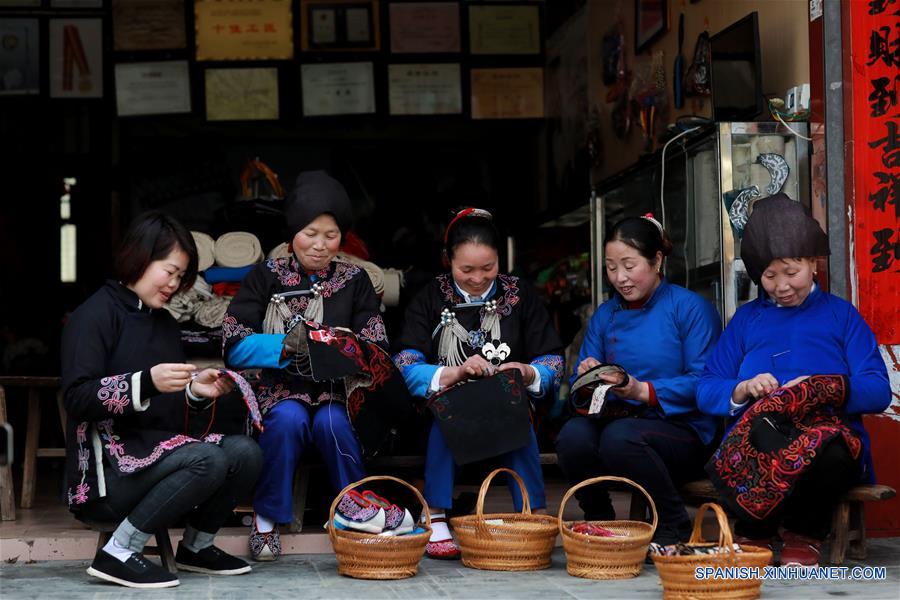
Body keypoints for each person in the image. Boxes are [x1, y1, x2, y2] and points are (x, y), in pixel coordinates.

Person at [62, 211, 262, 589]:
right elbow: (76, 397)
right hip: (110, 475)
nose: (174, 284)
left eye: (180, 277)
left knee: (245, 453)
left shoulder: (164, 323)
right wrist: (145, 382)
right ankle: (118, 552)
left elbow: (169, 420)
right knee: (207, 459)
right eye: (169, 271)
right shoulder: (92, 317)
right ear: (139, 256)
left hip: (155, 460)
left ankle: (196, 546)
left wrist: (194, 393)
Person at [224, 171, 409, 561]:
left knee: (333, 423)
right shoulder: (264, 277)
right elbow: (234, 344)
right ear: (292, 231)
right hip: (279, 391)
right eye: (311, 233)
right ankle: (267, 520)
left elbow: (377, 347)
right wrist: (286, 345)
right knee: (288, 420)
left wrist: (344, 345)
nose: (321, 245)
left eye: (331, 235)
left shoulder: (355, 280)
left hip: (336, 393)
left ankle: (354, 513)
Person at [697, 194, 890, 567]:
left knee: (830, 453)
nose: (781, 286)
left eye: (791, 272)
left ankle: (805, 532)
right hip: (767, 433)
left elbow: (878, 389)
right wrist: (743, 388)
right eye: (769, 276)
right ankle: (756, 530)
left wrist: (820, 387)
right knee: (763, 436)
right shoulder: (747, 320)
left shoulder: (841, 316)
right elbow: (707, 387)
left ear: (813, 263)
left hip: (830, 437)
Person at [393, 208, 565, 559]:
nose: (477, 278)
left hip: (508, 401)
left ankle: (529, 514)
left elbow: (553, 360)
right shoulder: (430, 297)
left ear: (500, 258)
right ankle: (437, 514)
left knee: (517, 418)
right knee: (449, 415)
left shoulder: (519, 295)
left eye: (488, 268)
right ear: (448, 260)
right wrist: (453, 374)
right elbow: (405, 362)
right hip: (445, 402)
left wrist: (528, 372)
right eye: (466, 269)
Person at [554, 215, 722, 545]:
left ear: (657, 260)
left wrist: (640, 390)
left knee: (620, 438)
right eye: (611, 267)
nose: (620, 278)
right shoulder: (606, 314)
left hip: (682, 428)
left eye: (629, 265)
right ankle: (600, 520)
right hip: (619, 420)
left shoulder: (689, 309)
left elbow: (706, 381)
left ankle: (674, 525)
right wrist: (588, 377)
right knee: (573, 437)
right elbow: (580, 391)